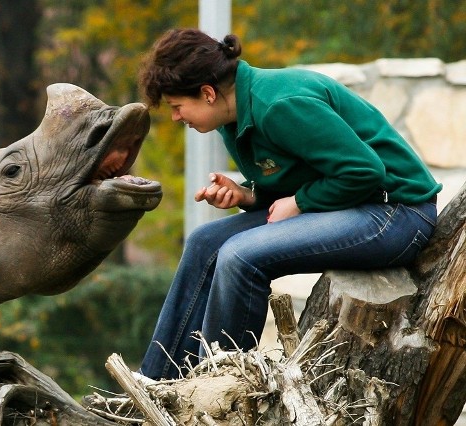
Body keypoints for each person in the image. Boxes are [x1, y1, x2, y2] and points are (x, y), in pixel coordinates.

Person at [137, 28, 442, 380]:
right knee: (204, 243)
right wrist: (248, 194)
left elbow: (364, 171)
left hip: (397, 214)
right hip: (349, 204)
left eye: (177, 107)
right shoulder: (233, 115)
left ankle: (215, 391)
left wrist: (299, 202)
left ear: (207, 93)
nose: (176, 117)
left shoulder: (279, 104)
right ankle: (158, 386)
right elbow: (304, 171)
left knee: (240, 256)